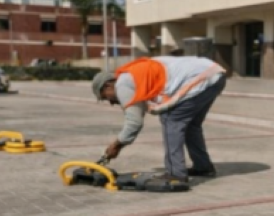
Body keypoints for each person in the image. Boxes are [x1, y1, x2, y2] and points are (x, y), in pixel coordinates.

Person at [92, 54, 226, 190]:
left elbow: (134, 123)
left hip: (200, 79)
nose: (111, 103)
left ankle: (176, 175)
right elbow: (139, 112)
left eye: (105, 98)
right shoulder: (132, 76)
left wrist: (117, 145)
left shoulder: (122, 84)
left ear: (108, 85)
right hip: (214, 75)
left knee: (171, 119)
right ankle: (203, 166)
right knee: (191, 125)